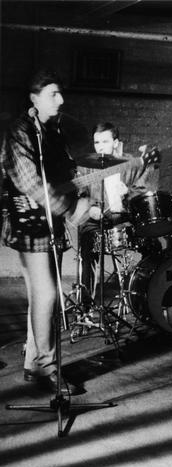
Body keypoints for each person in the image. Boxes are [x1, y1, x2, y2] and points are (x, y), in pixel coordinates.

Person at [0, 68, 89, 393]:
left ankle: (33, 364)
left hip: (50, 223)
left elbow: (67, 172)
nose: (61, 100)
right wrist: (70, 208)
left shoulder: (53, 133)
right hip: (29, 225)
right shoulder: (19, 132)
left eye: (61, 93)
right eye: (53, 94)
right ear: (34, 99)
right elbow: (29, 182)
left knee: (41, 295)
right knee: (49, 294)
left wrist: (86, 189)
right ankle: (49, 367)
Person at [77, 122, 155, 304]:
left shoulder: (130, 163)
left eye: (105, 142)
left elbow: (143, 188)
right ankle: (86, 304)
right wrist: (90, 208)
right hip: (98, 220)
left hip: (124, 218)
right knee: (87, 245)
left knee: (152, 244)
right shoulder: (86, 166)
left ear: (115, 142)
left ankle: (145, 295)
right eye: (97, 142)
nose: (100, 147)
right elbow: (81, 193)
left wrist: (128, 191)